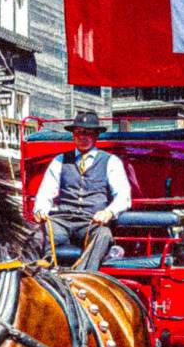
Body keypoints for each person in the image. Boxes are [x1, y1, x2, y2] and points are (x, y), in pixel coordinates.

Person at [30, 109, 131, 272]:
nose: (83, 137)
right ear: (73, 135)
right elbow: (46, 191)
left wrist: (109, 212)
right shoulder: (60, 160)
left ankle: (82, 277)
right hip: (63, 220)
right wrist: (40, 209)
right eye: (79, 133)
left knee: (104, 235)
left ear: (96, 136)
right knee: (36, 234)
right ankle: (44, 274)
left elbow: (123, 197)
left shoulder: (111, 162)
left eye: (88, 133)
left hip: (90, 222)